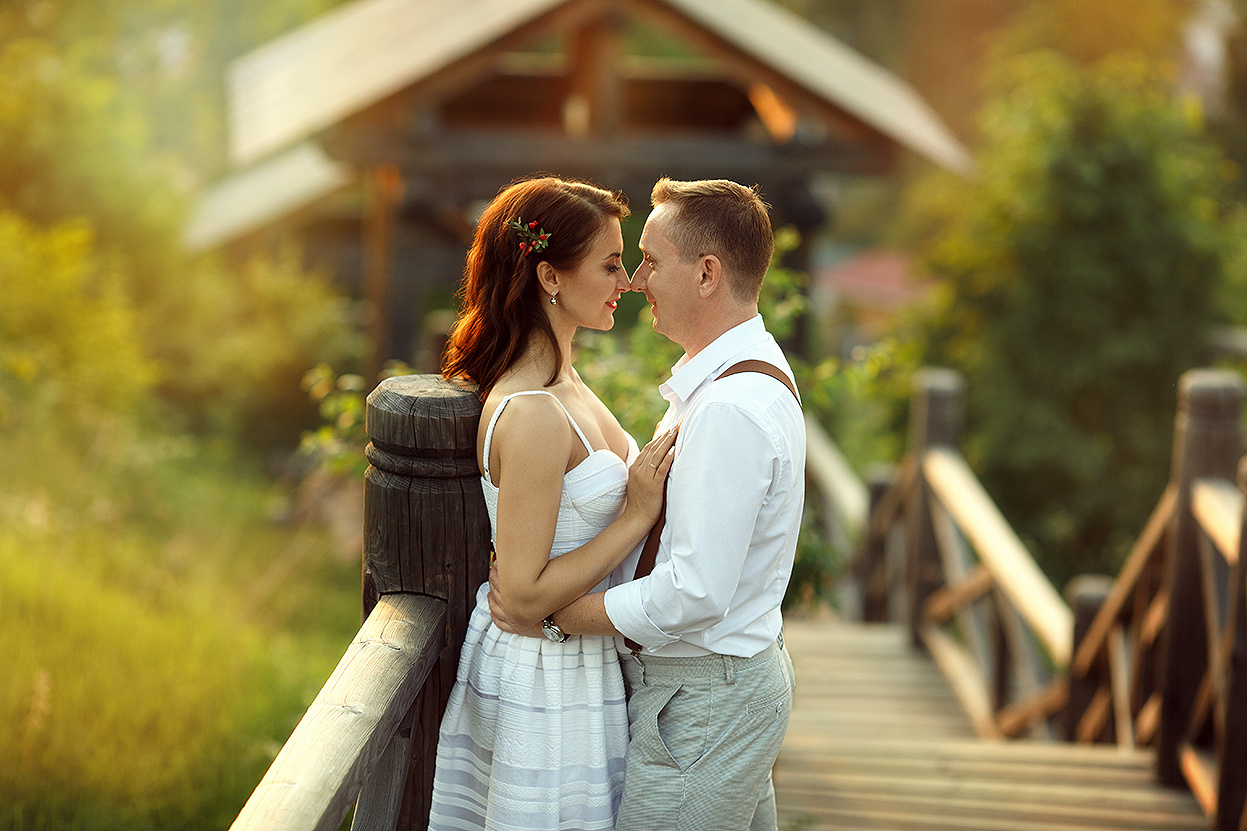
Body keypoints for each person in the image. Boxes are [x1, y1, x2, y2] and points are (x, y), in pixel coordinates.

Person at [490, 178, 806, 831]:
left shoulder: (727, 407)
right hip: (713, 690)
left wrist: (560, 616)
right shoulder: (727, 378)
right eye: (621, 262)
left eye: (649, 261)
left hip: (703, 699)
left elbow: (694, 590)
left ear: (707, 274)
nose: (635, 280)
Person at [427, 175, 677, 831]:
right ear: (549, 276)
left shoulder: (566, 380)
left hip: (578, 659)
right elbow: (526, 593)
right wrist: (635, 514)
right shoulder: (533, 411)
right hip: (539, 674)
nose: (625, 281)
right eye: (610, 263)